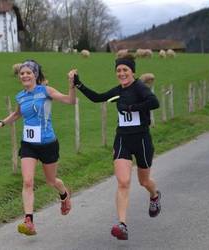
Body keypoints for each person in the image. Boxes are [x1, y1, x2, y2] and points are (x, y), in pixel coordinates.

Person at [72, 54, 161, 240]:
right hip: (123, 140)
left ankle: (154, 195)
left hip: (142, 140)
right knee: (123, 182)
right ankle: (122, 224)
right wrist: (78, 84)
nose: (121, 73)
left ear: (132, 72)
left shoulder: (139, 87)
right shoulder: (118, 90)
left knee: (144, 182)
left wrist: (131, 107)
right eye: (119, 70)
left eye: (125, 70)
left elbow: (154, 102)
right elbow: (97, 98)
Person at [0, 60, 76, 236]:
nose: (25, 75)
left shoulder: (46, 91)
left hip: (48, 143)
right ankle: (29, 221)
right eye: (22, 73)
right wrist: (0, 124)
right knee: (27, 181)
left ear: (35, 75)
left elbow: (70, 101)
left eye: (28, 72)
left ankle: (64, 194)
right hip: (29, 144)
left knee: (51, 181)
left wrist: (72, 85)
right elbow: (18, 114)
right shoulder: (20, 96)